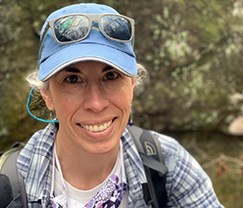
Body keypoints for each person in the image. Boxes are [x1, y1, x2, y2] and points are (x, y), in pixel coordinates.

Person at [15, 3, 224, 208]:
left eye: (111, 76)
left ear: (132, 84)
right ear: (46, 95)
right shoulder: (9, 185)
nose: (96, 104)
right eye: (72, 80)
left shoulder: (167, 165)